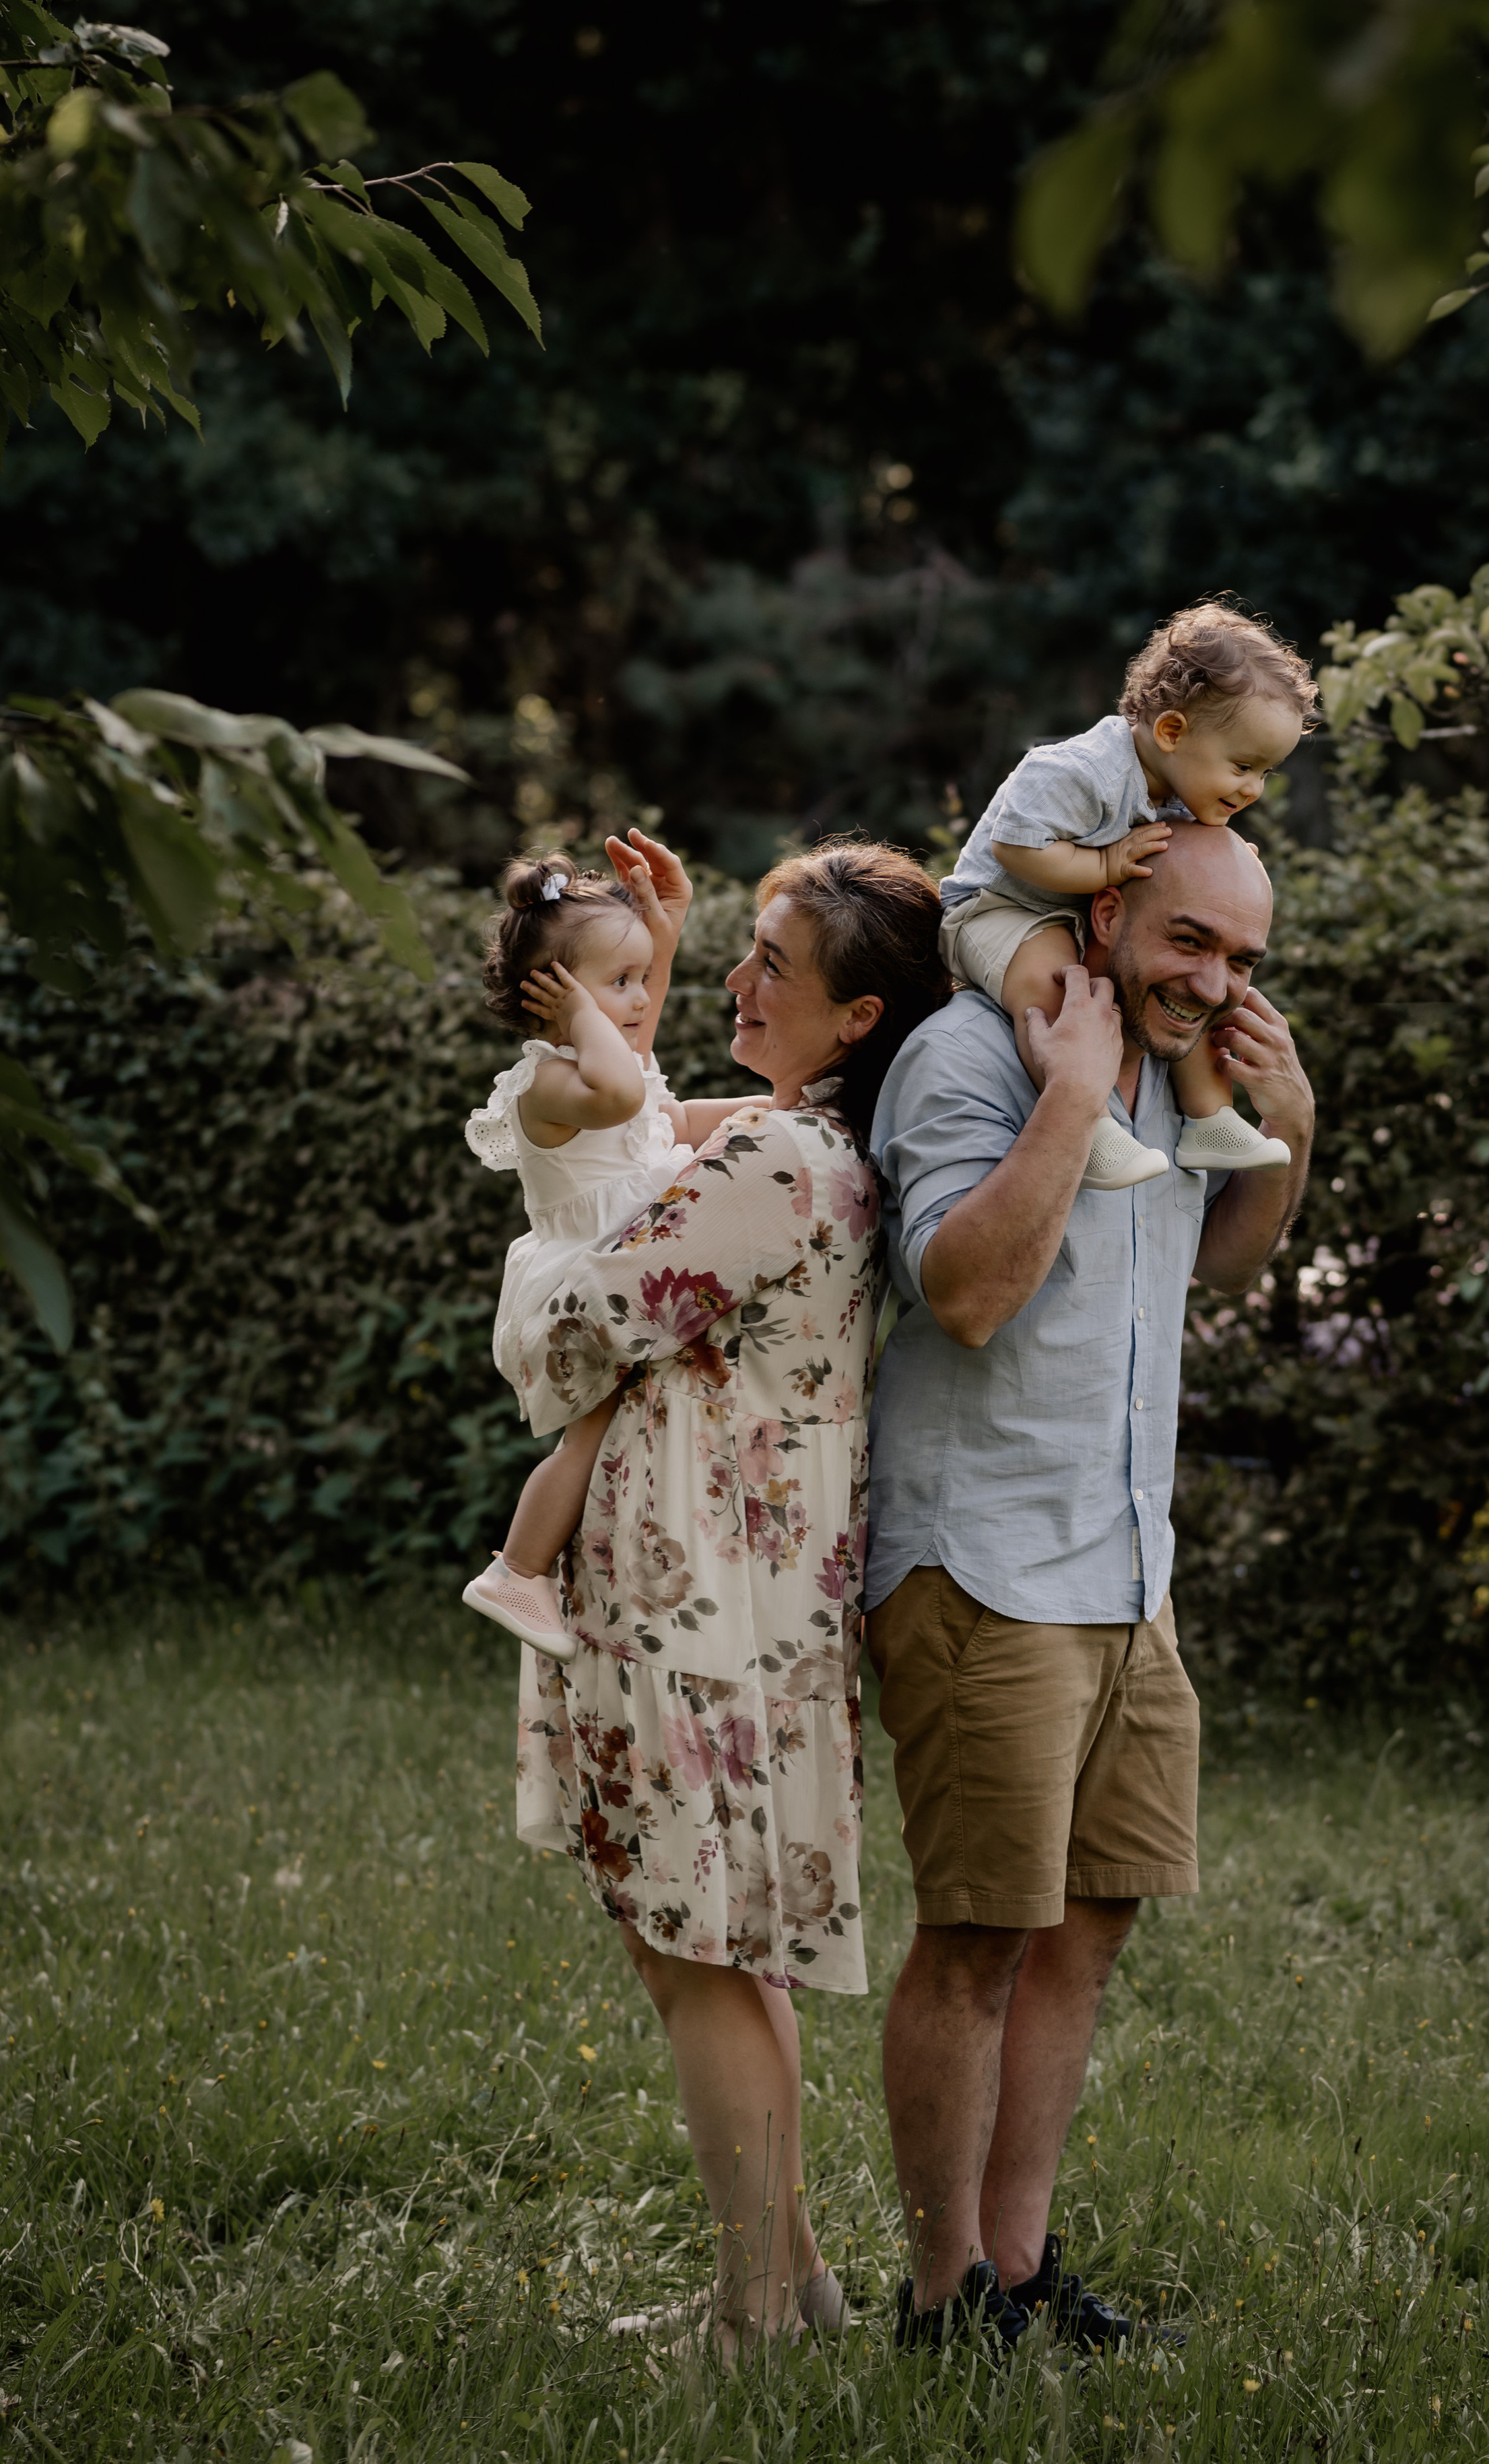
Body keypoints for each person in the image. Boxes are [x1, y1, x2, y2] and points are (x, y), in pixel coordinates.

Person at [865, 815, 1315, 2356]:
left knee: (1087, 1919)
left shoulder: (1179, 1083)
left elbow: (1220, 1270)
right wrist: (1069, 1090)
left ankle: (1016, 2260)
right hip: (980, 1564)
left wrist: (1287, 1129)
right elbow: (967, 1294)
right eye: (1189, 940)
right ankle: (939, 2302)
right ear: (1110, 904)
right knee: (977, 1936)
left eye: (1243, 957)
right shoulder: (967, 1056)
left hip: (1127, 1567)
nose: (1214, 978)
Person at [508, 841, 951, 2358]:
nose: (735, 986)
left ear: (856, 1020)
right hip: (750, 1577)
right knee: (716, 1941)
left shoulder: (775, 1163)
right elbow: (639, 1138)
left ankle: (755, 2315)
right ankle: (794, 2287)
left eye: (773, 967)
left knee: (688, 1948)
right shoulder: (811, 1146)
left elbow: (580, 1325)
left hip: (690, 1574)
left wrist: (533, 1269)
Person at [460, 832, 743, 1657]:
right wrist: (581, 1011)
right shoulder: (550, 1083)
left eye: (638, 980)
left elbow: (645, 1083)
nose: (636, 998)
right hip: (583, 1287)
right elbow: (622, 1093)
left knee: (629, 1422)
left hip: (626, 1275)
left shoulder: (612, 1058)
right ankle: (517, 1568)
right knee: (592, 1427)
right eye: (615, 985)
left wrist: (667, 929)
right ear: (550, 998)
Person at [939, 599, 1313, 1190]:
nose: (1253, 789)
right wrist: (1106, 863)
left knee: (1191, 991)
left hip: (1071, 912)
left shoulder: (1180, 782)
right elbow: (1015, 845)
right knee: (1057, 986)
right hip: (997, 909)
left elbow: (1180, 854)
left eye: (1265, 772)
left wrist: (1231, 859)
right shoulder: (1081, 771)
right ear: (1171, 731)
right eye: (1244, 765)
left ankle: (1211, 1120)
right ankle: (1085, 1122)